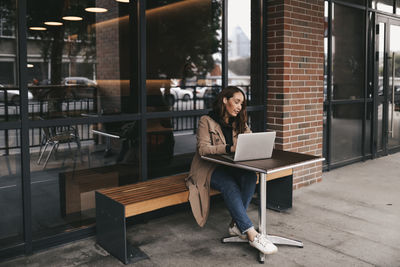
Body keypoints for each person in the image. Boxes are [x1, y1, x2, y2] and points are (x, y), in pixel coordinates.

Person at [186, 86, 278, 255]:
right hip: (207, 169)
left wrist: (257, 144)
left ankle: (236, 225)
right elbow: (203, 150)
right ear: (224, 100)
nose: (239, 107)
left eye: (241, 104)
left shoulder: (239, 121)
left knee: (250, 176)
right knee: (229, 185)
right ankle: (251, 234)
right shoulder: (206, 120)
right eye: (236, 102)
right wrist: (229, 148)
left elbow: (250, 139)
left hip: (230, 166)